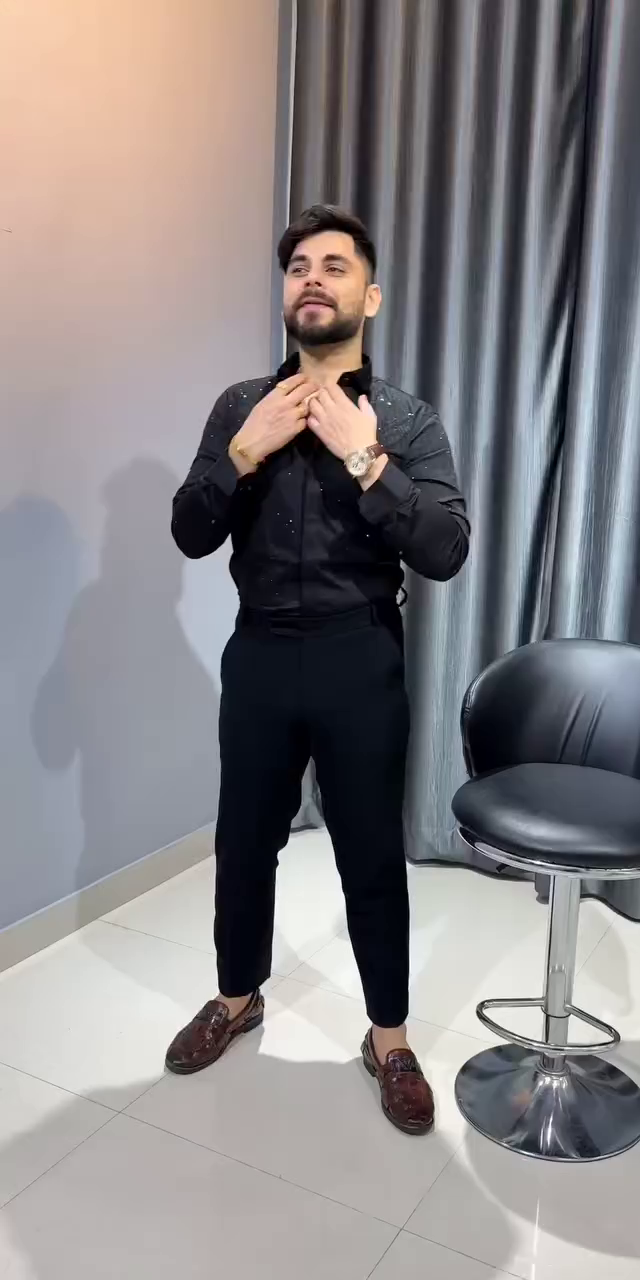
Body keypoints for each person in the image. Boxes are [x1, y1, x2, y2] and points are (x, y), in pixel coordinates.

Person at [166, 205, 470, 1135]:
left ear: (368, 298)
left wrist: (366, 458)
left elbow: (445, 549)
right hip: (259, 653)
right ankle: (236, 997)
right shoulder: (240, 407)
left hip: (359, 655)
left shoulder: (405, 419)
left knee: (369, 854)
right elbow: (189, 531)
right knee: (242, 844)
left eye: (335, 266)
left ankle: (390, 1039)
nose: (312, 277)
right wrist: (243, 452)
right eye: (299, 265)